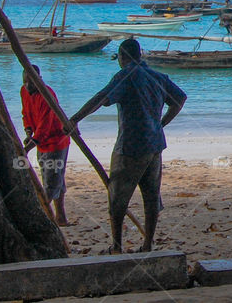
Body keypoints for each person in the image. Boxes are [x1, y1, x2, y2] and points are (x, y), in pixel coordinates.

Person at [68, 39, 186, 254]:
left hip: (131, 146)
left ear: (123, 57)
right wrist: (161, 124)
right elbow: (179, 99)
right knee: (151, 197)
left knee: (117, 198)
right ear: (140, 55)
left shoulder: (126, 75)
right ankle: (148, 244)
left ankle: (117, 246)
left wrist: (75, 119)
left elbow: (101, 97)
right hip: (155, 144)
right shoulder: (157, 76)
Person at [21, 64, 71, 226]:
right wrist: (28, 132)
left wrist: (28, 147)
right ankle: (61, 217)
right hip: (41, 142)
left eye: (31, 82)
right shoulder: (24, 91)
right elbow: (26, 113)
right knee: (56, 180)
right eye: (25, 82)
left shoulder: (47, 94)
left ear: (39, 80)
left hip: (56, 143)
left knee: (51, 184)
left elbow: (45, 125)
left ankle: (40, 221)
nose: (28, 86)